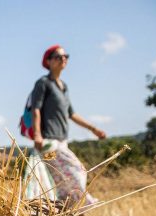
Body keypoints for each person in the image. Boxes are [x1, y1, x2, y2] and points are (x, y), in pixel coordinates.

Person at [31, 44, 107, 207]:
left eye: (65, 56)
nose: (63, 59)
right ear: (48, 61)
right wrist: (37, 134)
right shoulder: (43, 83)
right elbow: (35, 109)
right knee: (77, 171)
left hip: (62, 141)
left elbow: (71, 114)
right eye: (58, 57)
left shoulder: (63, 87)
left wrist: (94, 129)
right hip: (49, 142)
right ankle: (84, 206)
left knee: (61, 182)